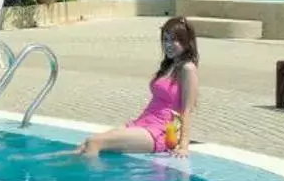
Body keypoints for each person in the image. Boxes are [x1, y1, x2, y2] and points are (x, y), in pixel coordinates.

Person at [78, 17, 199, 157]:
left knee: (94, 142)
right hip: (142, 123)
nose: (168, 45)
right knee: (83, 146)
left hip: (161, 131)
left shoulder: (187, 69)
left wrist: (183, 146)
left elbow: (187, 110)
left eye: (174, 40)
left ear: (186, 42)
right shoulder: (169, 65)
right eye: (165, 40)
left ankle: (91, 178)